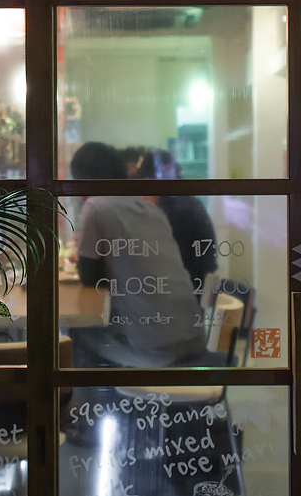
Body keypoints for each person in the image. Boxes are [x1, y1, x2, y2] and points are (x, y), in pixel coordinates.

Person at [69, 142, 206, 368]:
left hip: (158, 352)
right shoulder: (150, 208)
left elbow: (91, 278)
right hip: (195, 337)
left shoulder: (96, 205)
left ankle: (99, 402)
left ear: (82, 179)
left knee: (78, 333)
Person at [134, 148, 219, 285]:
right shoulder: (190, 204)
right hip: (194, 293)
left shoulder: (172, 216)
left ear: (149, 183)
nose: (140, 199)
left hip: (180, 297)